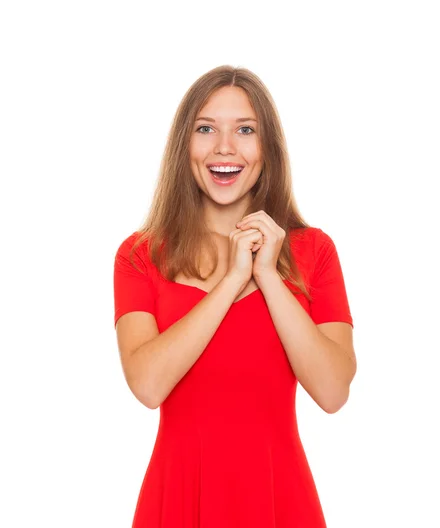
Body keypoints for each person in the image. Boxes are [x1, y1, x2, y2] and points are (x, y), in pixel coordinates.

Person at [113, 64, 356, 527]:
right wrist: (231, 280)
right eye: (206, 129)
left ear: (268, 149)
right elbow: (147, 385)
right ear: (185, 145)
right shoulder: (139, 255)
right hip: (178, 497)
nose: (225, 147)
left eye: (246, 130)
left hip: (279, 497)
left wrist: (267, 274)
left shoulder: (314, 251)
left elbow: (332, 391)